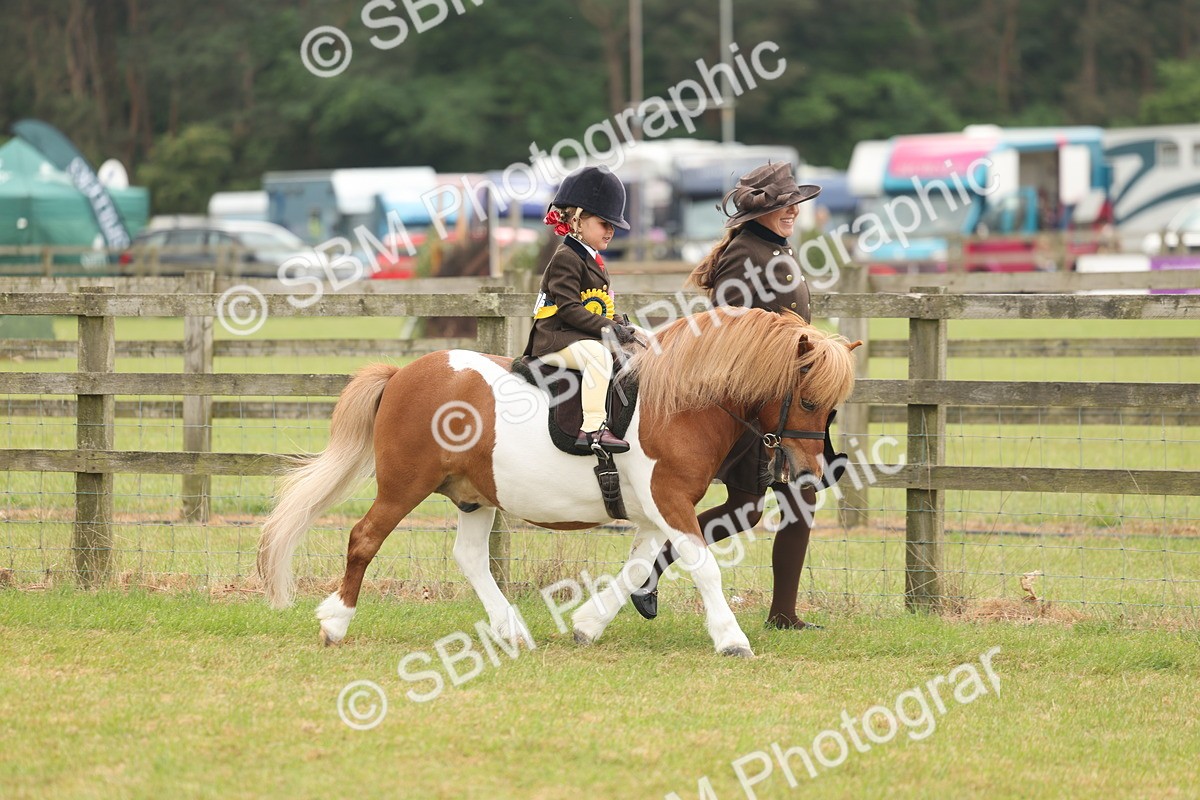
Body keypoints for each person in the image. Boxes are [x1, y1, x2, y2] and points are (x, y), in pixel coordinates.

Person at [631, 161, 830, 629]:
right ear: (759, 213)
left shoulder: (775, 246)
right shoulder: (745, 253)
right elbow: (727, 329)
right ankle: (650, 568)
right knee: (746, 509)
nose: (793, 211)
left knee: (799, 498)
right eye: (784, 205)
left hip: (786, 398)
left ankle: (783, 614)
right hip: (756, 402)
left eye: (795, 204)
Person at [524, 166, 639, 453]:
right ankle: (593, 429)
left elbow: (597, 305)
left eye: (613, 225)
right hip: (554, 338)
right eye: (603, 223)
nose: (611, 231)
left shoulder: (593, 259)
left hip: (576, 335)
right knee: (599, 356)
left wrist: (621, 324)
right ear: (576, 220)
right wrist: (610, 329)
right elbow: (570, 309)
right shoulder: (566, 257)